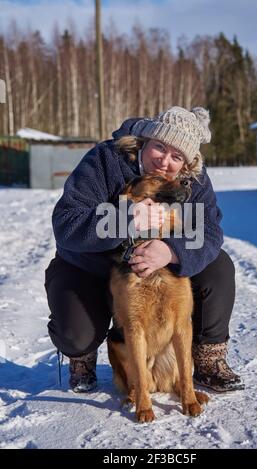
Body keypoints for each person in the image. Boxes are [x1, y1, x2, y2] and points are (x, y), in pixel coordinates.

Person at [45, 106, 244, 394]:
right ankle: (81, 358)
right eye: (159, 148)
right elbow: (66, 223)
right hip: (92, 267)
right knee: (76, 334)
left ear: (186, 164)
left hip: (151, 268)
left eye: (177, 156)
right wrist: (122, 219)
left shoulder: (194, 180)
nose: (164, 161)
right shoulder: (105, 160)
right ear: (144, 141)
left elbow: (210, 231)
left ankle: (208, 359)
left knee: (219, 267)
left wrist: (172, 251)